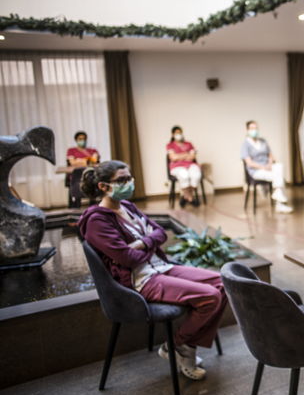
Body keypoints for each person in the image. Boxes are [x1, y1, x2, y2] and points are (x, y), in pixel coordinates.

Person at [78, 160, 227, 381]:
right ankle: (176, 345)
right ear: (103, 187)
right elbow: (128, 260)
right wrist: (150, 243)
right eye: (121, 180)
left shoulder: (127, 206)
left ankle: (185, 345)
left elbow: (160, 232)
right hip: (141, 279)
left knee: (222, 284)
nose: (128, 183)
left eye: (129, 178)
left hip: (162, 267)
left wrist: (142, 243)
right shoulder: (96, 222)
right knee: (210, 296)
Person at [241, 120, 292, 213]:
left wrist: (269, 164)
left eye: (256, 128)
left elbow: (270, 155)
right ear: (247, 130)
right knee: (278, 176)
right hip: (256, 171)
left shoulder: (263, 141)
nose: (254, 130)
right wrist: (263, 167)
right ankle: (279, 204)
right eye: (252, 128)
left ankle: (275, 193)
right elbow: (249, 163)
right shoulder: (245, 145)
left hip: (268, 167)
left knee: (279, 166)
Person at [167, 125, 202, 208]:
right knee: (184, 175)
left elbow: (192, 157)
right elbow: (173, 157)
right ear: (172, 134)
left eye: (180, 133)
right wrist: (186, 154)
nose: (179, 134)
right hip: (177, 167)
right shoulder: (170, 145)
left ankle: (185, 197)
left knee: (196, 175)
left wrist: (179, 156)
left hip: (190, 165)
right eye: (177, 133)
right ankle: (191, 198)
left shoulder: (189, 144)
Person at [66, 131, 100, 208]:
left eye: (84, 139)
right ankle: (75, 207)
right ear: (76, 140)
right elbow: (72, 162)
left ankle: (94, 207)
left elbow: (94, 160)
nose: (82, 140)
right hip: (76, 178)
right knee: (77, 182)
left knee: (94, 181)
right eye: (80, 139)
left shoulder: (93, 150)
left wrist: (79, 160)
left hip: (91, 177)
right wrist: (87, 161)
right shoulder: (71, 150)